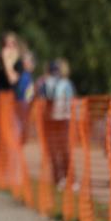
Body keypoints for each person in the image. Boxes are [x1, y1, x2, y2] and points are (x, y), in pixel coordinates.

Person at [42, 59, 75, 189]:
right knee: (55, 150)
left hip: (64, 120)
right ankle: (58, 178)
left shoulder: (66, 84)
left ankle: (69, 177)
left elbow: (71, 100)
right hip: (52, 120)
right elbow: (45, 99)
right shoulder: (47, 83)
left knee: (65, 149)